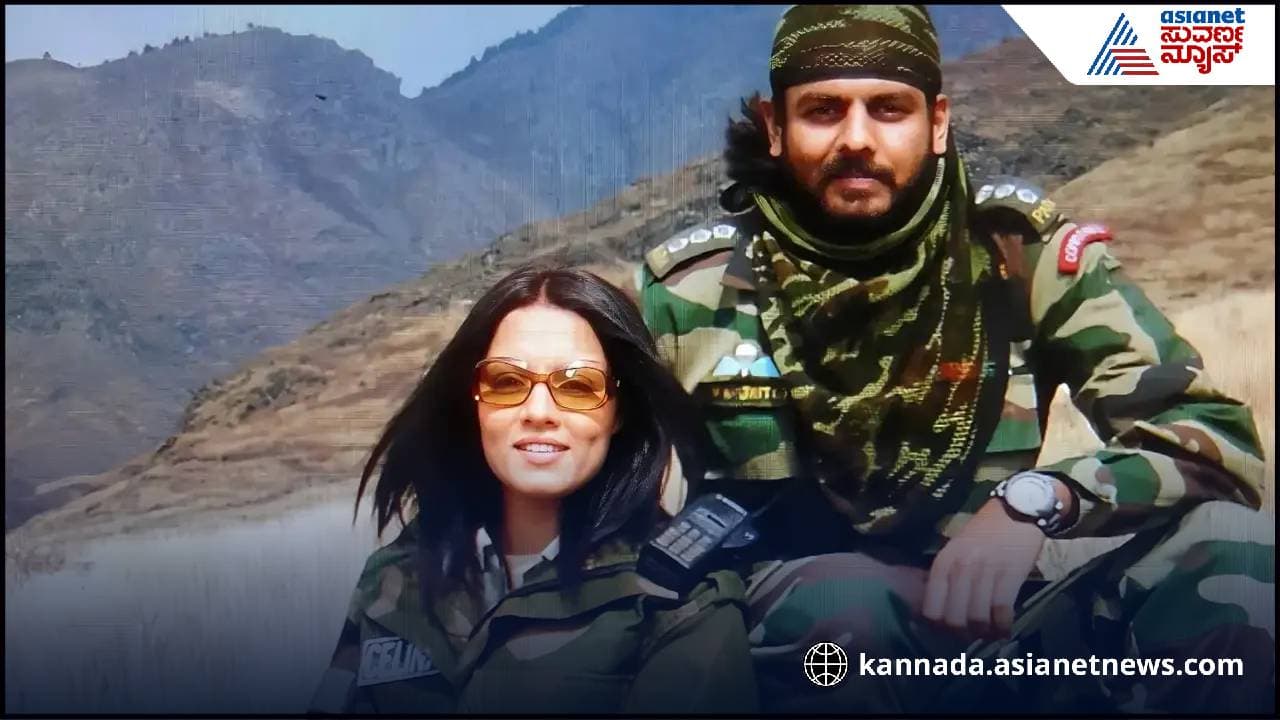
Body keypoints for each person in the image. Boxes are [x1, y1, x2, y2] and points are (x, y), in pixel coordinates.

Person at [636, 4, 1273, 713]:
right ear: (775, 127)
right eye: (822, 111)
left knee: (1234, 546)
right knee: (846, 608)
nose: (857, 138)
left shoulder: (1016, 257)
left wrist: (1043, 500)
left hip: (1002, 628)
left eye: (889, 109)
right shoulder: (689, 296)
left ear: (937, 122)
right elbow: (594, 499)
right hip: (805, 648)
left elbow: (1214, 439)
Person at [309, 262, 757, 714]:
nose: (538, 411)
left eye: (578, 386)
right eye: (507, 382)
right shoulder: (396, 575)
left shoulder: (677, 599)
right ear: (474, 402)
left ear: (620, 412)